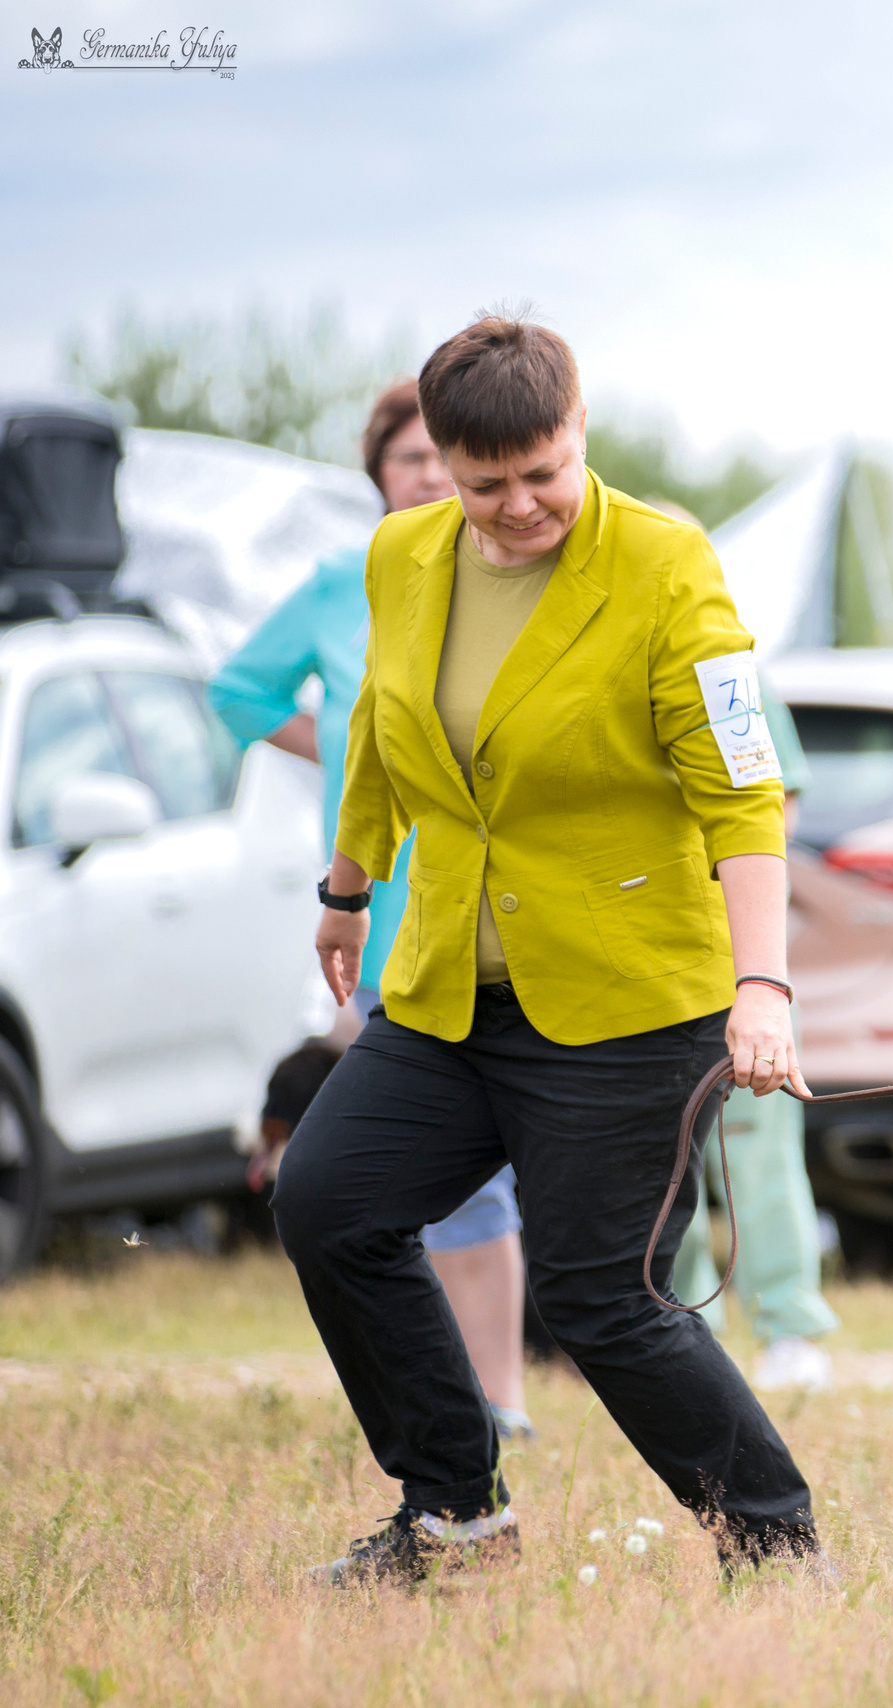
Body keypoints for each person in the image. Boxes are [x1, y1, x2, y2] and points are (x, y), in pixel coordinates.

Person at [271, 314, 820, 1585]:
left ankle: (777, 1540)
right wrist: (346, 888)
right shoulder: (403, 554)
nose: (521, 507)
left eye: (545, 473)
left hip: (631, 998)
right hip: (453, 987)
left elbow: (744, 790)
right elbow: (379, 725)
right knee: (330, 1202)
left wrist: (763, 986)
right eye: (485, 484)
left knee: (599, 1296)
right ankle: (454, 1513)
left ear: (580, 434)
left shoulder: (667, 563)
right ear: (441, 470)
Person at [209, 377, 533, 1441]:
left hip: (494, 906)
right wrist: (346, 755)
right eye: (411, 462)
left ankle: (500, 1400)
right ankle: (438, 1413)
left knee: (482, 1178)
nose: (433, 477)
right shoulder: (345, 582)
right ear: (379, 478)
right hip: (376, 907)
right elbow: (241, 695)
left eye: (447, 460)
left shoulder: (518, 574)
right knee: (365, 1178)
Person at [672, 695, 842, 1391]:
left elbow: (780, 801)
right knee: (657, 1157)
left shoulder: (729, 664)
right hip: (623, 965)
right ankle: (682, 1332)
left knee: (758, 1148)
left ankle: (789, 1328)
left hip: (730, 954)